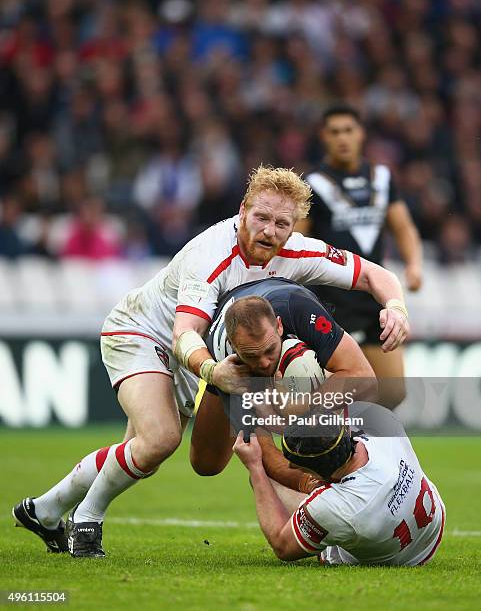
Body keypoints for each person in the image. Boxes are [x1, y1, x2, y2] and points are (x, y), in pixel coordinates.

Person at [13, 165, 408, 558]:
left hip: (202, 348)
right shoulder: (212, 255)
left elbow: (376, 275)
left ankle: (43, 510)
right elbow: (183, 333)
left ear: (294, 226)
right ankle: (87, 521)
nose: (270, 230)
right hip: (144, 331)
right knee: (161, 439)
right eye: (262, 218)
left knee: (141, 452)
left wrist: (395, 306)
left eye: (282, 223)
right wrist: (211, 371)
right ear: (242, 211)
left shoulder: (298, 251)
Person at [298, 105, 422, 408]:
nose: (343, 138)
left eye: (349, 130)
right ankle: (330, 449)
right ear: (324, 137)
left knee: (393, 392)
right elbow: (297, 241)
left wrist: (414, 264)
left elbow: (402, 226)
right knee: (337, 393)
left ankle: (364, 447)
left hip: (373, 300)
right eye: (335, 132)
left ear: (361, 134)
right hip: (330, 301)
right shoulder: (313, 184)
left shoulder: (381, 177)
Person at [190, 279, 376, 480]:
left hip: (283, 294)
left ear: (279, 326)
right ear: (233, 346)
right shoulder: (229, 366)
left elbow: (365, 378)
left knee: (331, 422)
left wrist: (302, 408)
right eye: (252, 356)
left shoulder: (300, 311)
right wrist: (314, 486)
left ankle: (352, 449)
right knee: (207, 464)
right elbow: (266, 456)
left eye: (269, 350)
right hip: (231, 363)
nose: (263, 363)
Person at [232, 403, 446, 566]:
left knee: (266, 482)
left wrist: (255, 467)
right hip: (431, 525)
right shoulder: (378, 418)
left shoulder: (334, 507)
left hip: (398, 557)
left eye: (301, 468)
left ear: (316, 474)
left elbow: (282, 545)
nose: (296, 470)